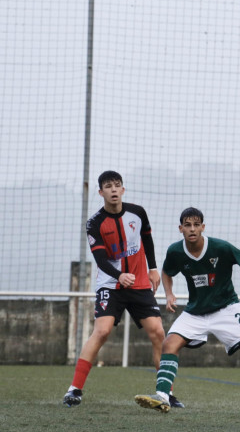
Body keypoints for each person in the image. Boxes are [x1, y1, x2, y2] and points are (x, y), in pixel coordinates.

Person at [134, 207, 240, 416]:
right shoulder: (175, 251)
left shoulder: (220, 247)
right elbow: (167, 272)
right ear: (181, 229)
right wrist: (169, 294)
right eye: (187, 225)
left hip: (226, 308)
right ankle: (162, 396)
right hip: (195, 312)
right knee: (169, 344)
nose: (192, 229)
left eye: (196, 225)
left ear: (203, 227)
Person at [62, 171, 182, 408]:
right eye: (108, 186)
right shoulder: (94, 223)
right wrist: (119, 275)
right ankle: (74, 390)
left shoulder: (137, 213)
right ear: (101, 192)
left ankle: (165, 393)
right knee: (102, 331)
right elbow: (100, 259)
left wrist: (154, 268)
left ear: (123, 190)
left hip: (139, 285)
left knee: (159, 332)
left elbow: (147, 239)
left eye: (118, 185)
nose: (114, 190)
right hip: (111, 285)